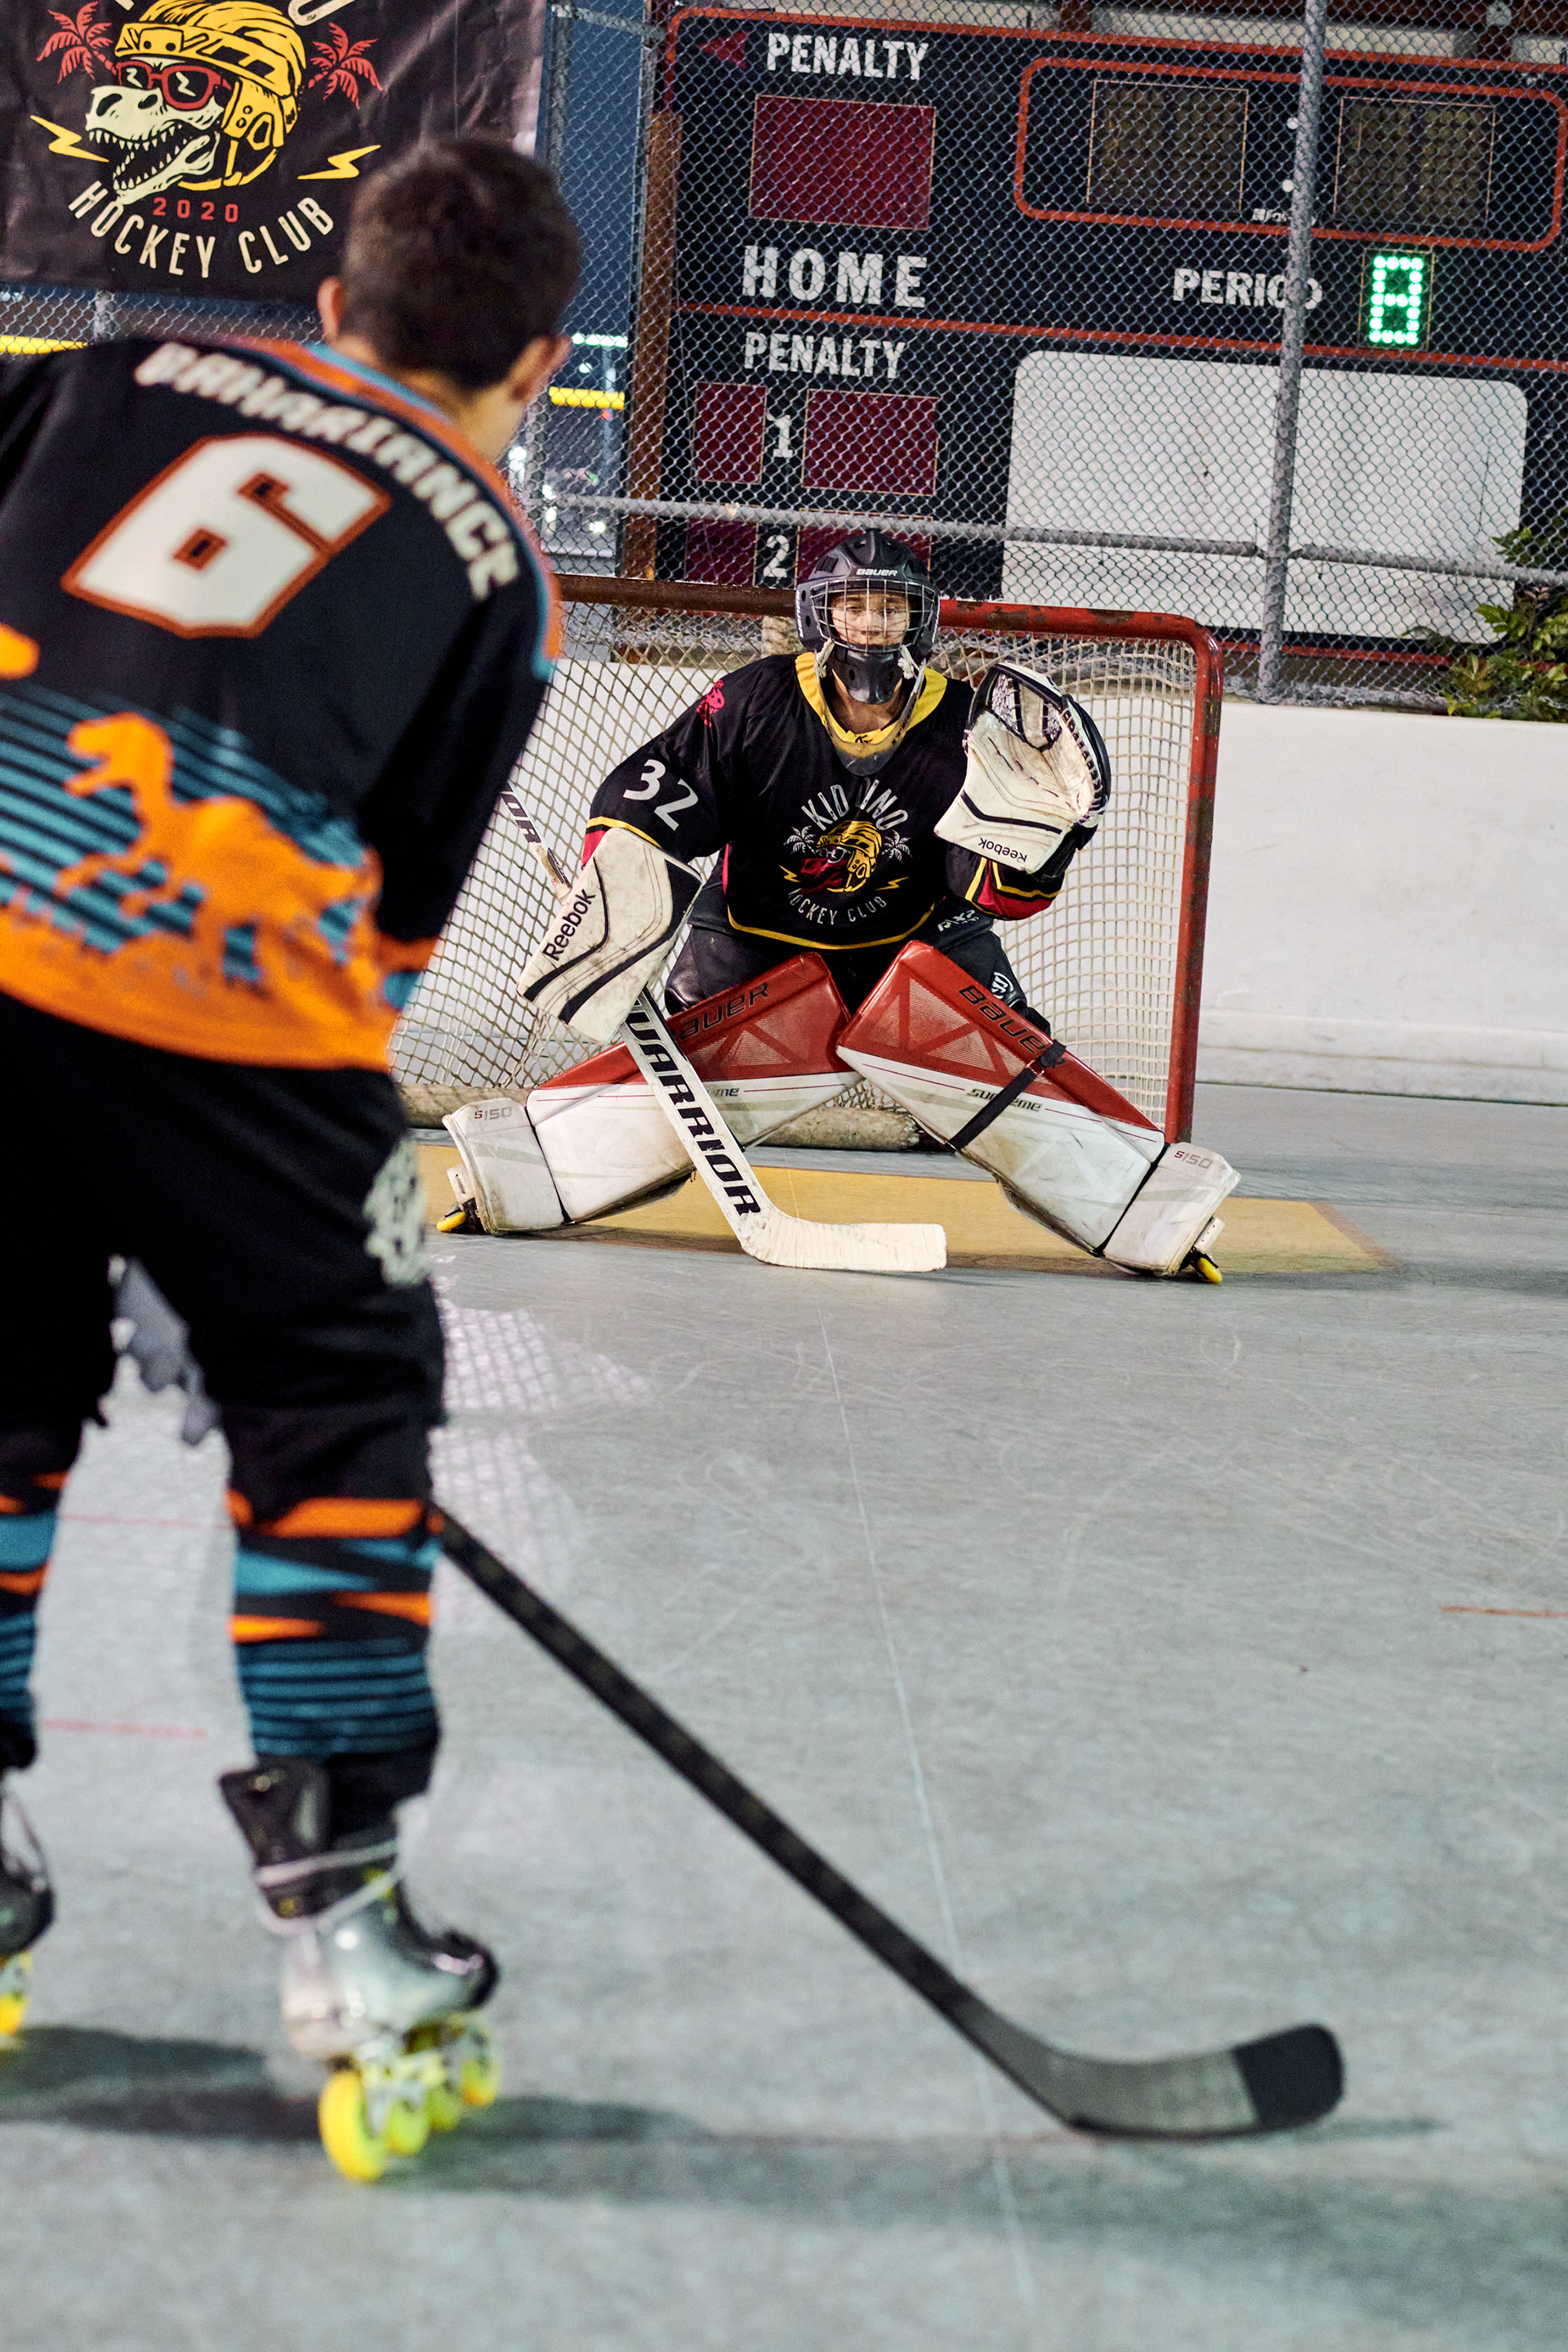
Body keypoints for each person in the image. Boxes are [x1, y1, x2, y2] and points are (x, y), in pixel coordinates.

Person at [0, 136, 577, 2177]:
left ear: (331, 303)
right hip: (227, 1019)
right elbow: (391, 932)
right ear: (534, 366)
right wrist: (220, 1216)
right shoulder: (499, 562)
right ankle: (347, 1934)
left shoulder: (101, 372)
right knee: (337, 1412)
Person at [514, 528, 1239, 1278]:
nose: (870, 625)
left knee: (1018, 1067)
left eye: (889, 609)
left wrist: (1055, 840)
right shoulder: (757, 698)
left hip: (918, 934)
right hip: (753, 931)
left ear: (917, 620)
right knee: (675, 1084)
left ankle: (1147, 1219)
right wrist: (617, 872)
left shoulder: (965, 727)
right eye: (854, 607)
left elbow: (987, 887)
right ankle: (529, 1178)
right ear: (821, 615)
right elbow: (662, 786)